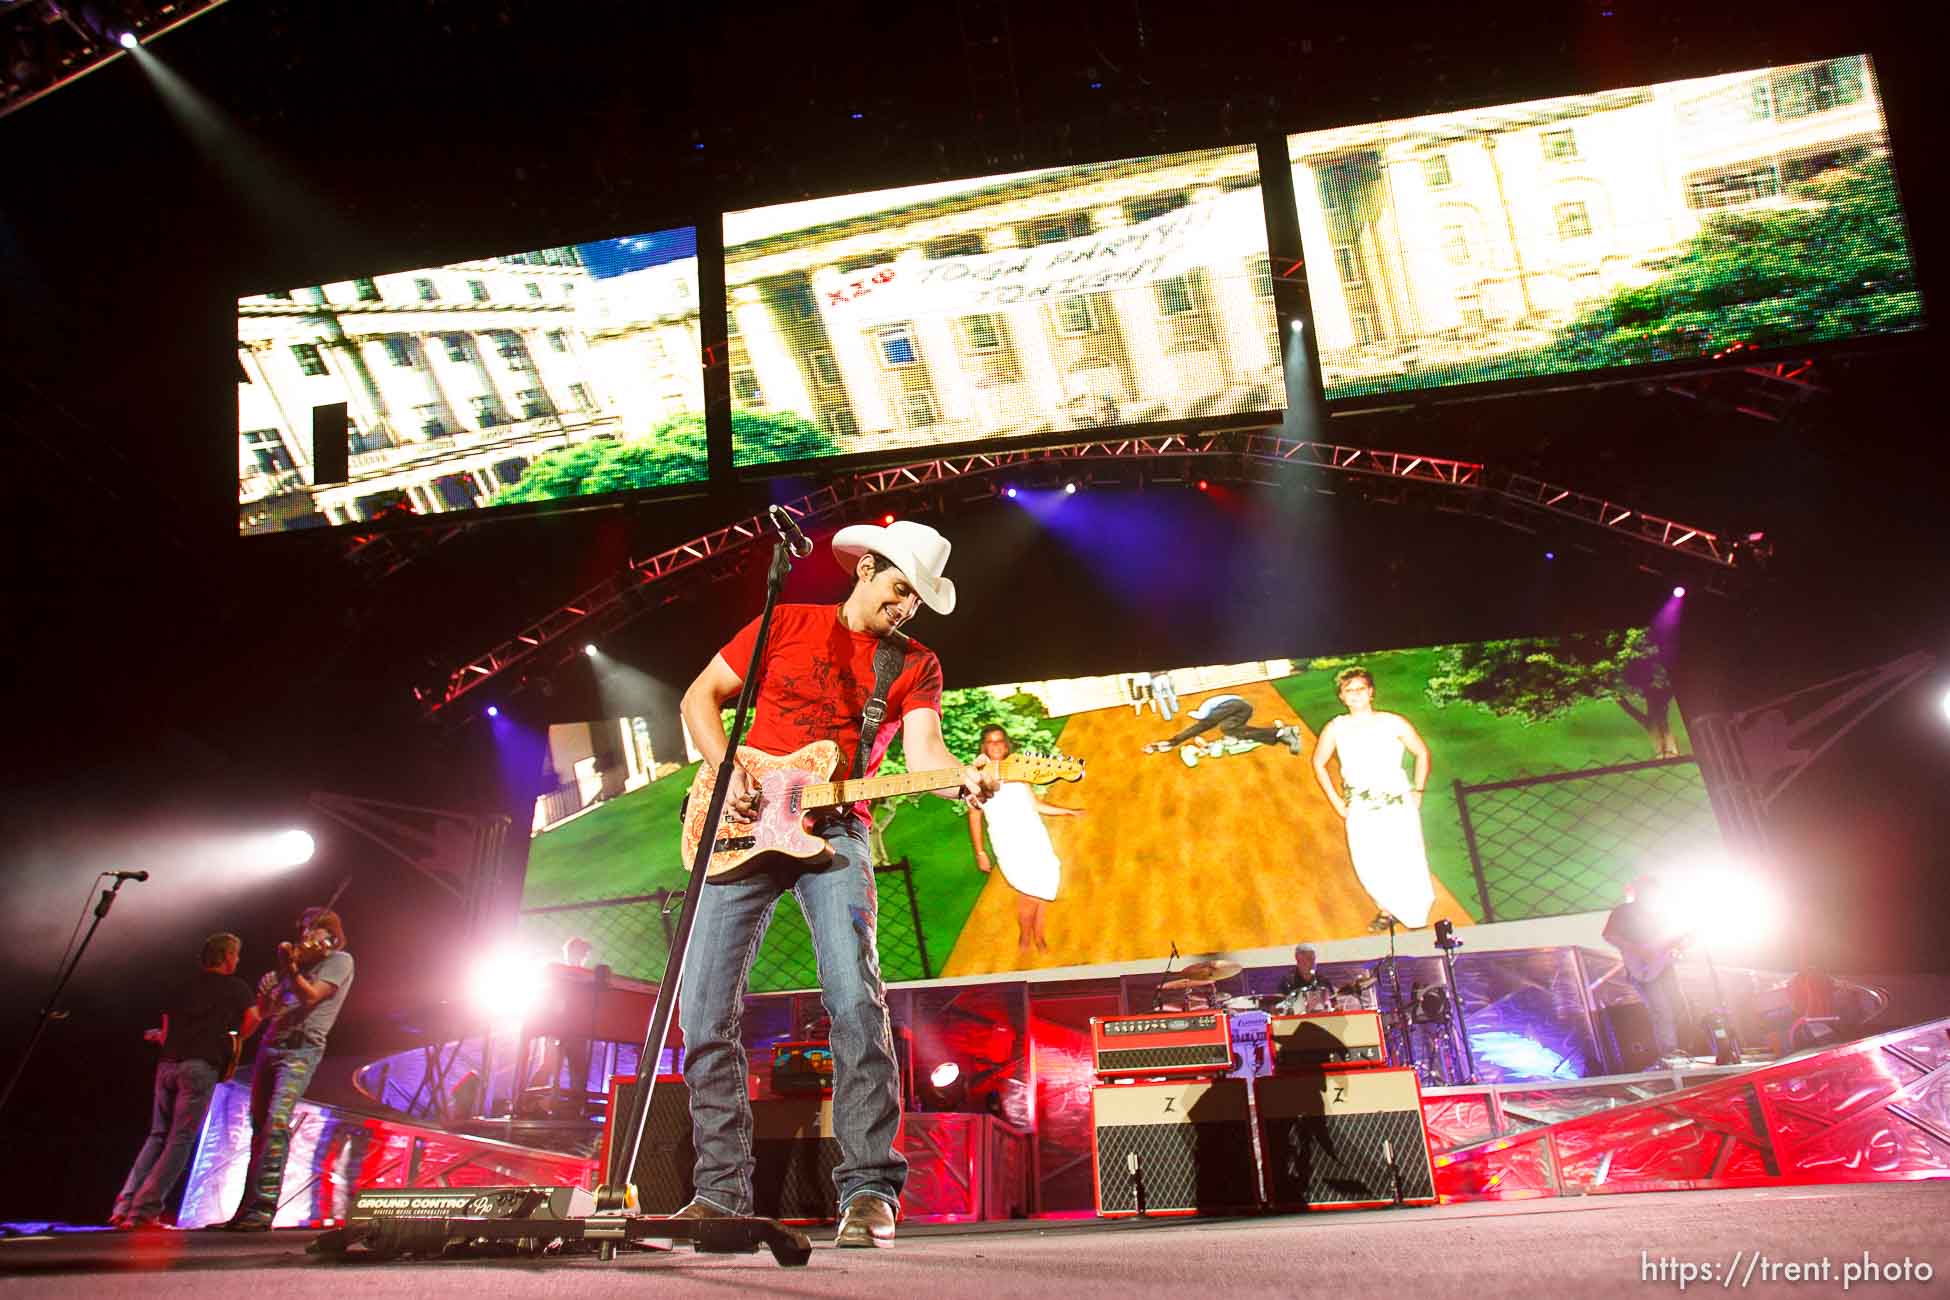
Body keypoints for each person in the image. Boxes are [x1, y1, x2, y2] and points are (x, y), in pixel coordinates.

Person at [675, 518, 998, 1249]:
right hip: (740, 827)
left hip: (836, 829)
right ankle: (721, 1195)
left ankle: (870, 1192)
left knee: (855, 1000)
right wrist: (729, 775)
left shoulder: (914, 664)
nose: (906, 605)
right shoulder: (781, 621)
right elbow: (701, 699)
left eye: (917, 597)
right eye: (899, 587)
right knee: (702, 1015)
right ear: (864, 570)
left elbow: (925, 750)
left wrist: (965, 783)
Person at [214, 907, 355, 1231]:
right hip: (271, 1045)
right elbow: (266, 1012)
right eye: (303, 929)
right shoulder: (290, 970)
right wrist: (269, 992)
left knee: (277, 1124)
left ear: (331, 936)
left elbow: (311, 996)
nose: (305, 936)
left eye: (313, 930)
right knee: (259, 1128)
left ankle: (262, 1210)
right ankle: (245, 1212)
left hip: (300, 1050)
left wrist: (290, 968)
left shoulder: (339, 961)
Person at [109, 932, 260, 1229]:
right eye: (236, 955)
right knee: (180, 1141)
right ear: (228, 957)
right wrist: (234, 1039)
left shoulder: (180, 985)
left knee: (157, 1136)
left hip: (167, 1065)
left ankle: (124, 1207)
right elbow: (252, 1019)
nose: (238, 960)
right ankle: (143, 1212)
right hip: (199, 1067)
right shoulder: (236, 987)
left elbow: (166, 1031)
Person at [1310, 667, 1436, 930]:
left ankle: (1414, 913)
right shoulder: (1336, 727)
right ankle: (1385, 909)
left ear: (1370, 692)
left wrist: (1418, 790)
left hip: (1397, 802)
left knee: (1406, 854)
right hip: (1360, 805)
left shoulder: (1393, 722)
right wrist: (1337, 802)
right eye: (1349, 690)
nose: (1355, 694)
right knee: (1368, 858)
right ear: (1342, 697)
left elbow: (1422, 753)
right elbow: (1319, 763)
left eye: (1360, 689)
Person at [967, 724, 1084, 961]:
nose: (996, 745)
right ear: (984, 746)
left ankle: (1039, 935)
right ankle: (1025, 935)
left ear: (1006, 744)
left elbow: (1036, 805)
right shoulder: (975, 779)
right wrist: (980, 852)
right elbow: (974, 815)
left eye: (1000, 740)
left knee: (1044, 889)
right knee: (1030, 893)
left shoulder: (1018, 772)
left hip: (1034, 837)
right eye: (991, 741)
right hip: (1008, 844)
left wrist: (1068, 812)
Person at [1602, 874, 1692, 1064]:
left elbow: (1674, 941)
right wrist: (1638, 950)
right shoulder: (1624, 912)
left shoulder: (1663, 913)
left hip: (1665, 966)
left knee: (1679, 1007)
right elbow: (1609, 934)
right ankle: (1670, 1055)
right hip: (1644, 968)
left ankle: (1683, 1052)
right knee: (1662, 1010)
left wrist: (1681, 945)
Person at [1141, 693, 1301, 766]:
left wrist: (1173, 741)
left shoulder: (1208, 713)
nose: (1199, 721)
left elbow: (1201, 726)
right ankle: (1281, 733)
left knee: (1227, 728)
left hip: (1237, 706)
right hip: (1242, 707)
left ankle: (1282, 733)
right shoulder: (1210, 707)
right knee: (1230, 729)